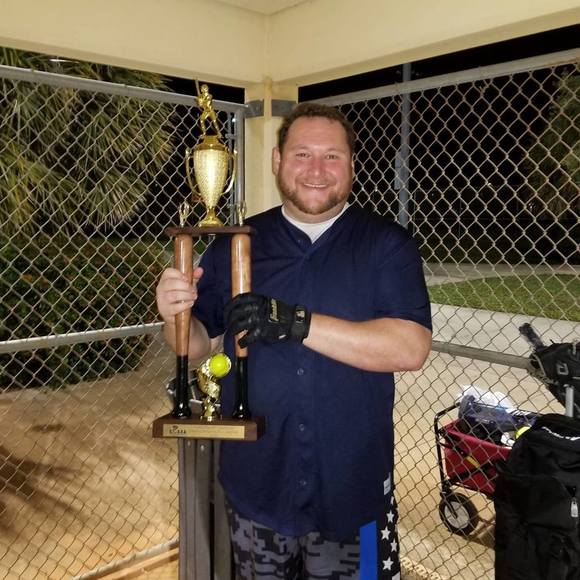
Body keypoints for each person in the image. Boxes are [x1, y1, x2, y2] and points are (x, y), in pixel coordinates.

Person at [156, 102, 432, 579]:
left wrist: (295, 322)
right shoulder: (238, 243)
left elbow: (410, 347)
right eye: (303, 154)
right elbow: (197, 344)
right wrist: (174, 313)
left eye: (332, 156)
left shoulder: (386, 244)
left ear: (352, 165)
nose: (317, 170)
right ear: (278, 160)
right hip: (257, 486)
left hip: (353, 491)